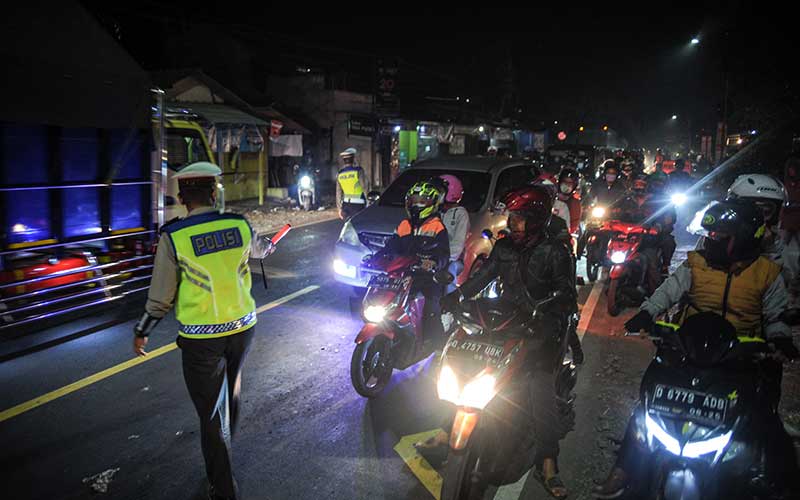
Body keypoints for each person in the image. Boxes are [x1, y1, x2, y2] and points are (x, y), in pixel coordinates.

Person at [593, 199, 797, 499]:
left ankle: (775, 482)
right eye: (711, 235)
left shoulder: (767, 273)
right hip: (689, 349)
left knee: (764, 420)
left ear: (741, 236)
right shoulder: (697, 263)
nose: (711, 241)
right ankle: (626, 467)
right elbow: (668, 291)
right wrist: (647, 313)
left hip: (740, 358)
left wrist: (779, 340)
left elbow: (776, 316)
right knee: (648, 404)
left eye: (720, 236)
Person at [133, 162, 275, 500]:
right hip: (243, 329)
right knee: (232, 391)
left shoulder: (175, 236)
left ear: (183, 199)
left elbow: (161, 296)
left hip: (202, 339)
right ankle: (224, 446)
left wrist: (143, 328)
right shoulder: (238, 224)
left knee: (211, 411)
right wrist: (269, 246)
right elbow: (259, 250)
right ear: (214, 194)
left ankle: (223, 488)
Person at [442, 184, 578, 498]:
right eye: (512, 219)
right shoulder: (504, 248)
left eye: (519, 219)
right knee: (465, 361)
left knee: (539, 392)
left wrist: (548, 310)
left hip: (543, 331)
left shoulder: (555, 252)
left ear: (536, 219)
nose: (512, 224)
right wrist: (457, 296)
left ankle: (547, 463)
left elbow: (567, 296)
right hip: (507, 320)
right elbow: (483, 277)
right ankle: (446, 428)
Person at [378, 180, 449, 342]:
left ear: (432, 203)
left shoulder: (437, 226)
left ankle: (435, 345)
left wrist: (433, 262)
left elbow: (443, 254)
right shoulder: (404, 225)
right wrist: (375, 258)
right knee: (383, 298)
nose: (417, 205)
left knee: (430, 309)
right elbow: (390, 246)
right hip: (402, 274)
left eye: (422, 201)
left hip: (426, 277)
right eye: (414, 201)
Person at [438, 174, 470, 294]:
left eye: (441, 191)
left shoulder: (461, 215)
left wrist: (442, 258)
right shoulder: (436, 212)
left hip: (452, 259)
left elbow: (457, 245)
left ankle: (449, 303)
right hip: (435, 257)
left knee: (449, 271)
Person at [336, 147, 367, 220]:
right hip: (358, 206)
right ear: (353, 159)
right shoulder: (358, 171)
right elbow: (365, 188)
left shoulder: (340, 174)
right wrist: (369, 203)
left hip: (346, 206)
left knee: (348, 228)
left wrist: (339, 209)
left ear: (344, 160)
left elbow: (338, 193)